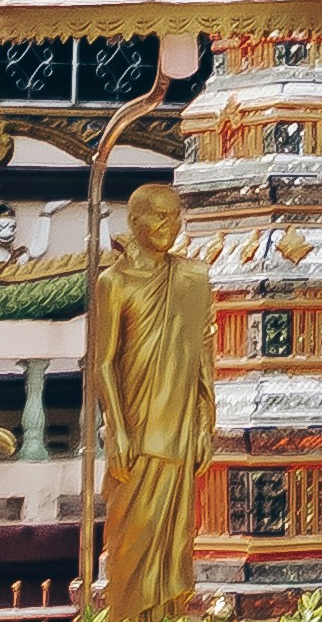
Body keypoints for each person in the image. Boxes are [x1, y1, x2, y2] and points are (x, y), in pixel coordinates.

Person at [92, 184, 214, 622]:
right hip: (138, 435)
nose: (169, 225)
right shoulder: (115, 282)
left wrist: (204, 423)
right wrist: (118, 431)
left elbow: (203, 353)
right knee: (130, 546)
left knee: (174, 547)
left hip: (179, 429)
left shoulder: (194, 278)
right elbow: (103, 363)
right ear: (135, 221)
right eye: (158, 216)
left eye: (176, 215)